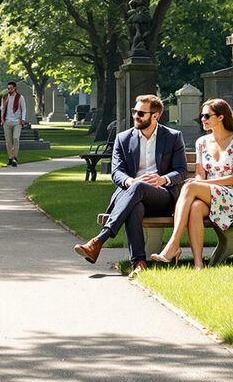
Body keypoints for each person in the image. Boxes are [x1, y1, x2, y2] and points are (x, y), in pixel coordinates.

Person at [72, 94, 188, 277]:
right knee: (136, 203)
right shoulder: (123, 138)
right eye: (134, 111)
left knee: (139, 188)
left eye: (141, 113)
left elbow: (181, 171)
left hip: (162, 197)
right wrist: (130, 181)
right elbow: (116, 172)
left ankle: (99, 240)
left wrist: (162, 179)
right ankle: (139, 262)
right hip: (132, 196)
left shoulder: (173, 137)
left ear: (155, 115)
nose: (136, 116)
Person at [151, 98, 233, 270]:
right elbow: (200, 174)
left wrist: (201, 184)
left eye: (206, 116)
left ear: (220, 117)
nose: (202, 119)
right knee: (196, 206)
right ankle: (198, 263)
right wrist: (199, 183)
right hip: (212, 194)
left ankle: (173, 244)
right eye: (201, 116)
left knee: (190, 186)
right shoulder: (202, 143)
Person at [0, 81, 28, 166]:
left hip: (17, 122)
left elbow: (24, 109)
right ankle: (10, 158)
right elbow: (2, 109)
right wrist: (2, 119)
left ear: (14, 88)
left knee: (16, 139)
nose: (9, 90)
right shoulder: (4, 97)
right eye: (8, 88)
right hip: (7, 122)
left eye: (11, 88)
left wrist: (23, 119)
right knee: (8, 141)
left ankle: (15, 157)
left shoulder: (20, 97)